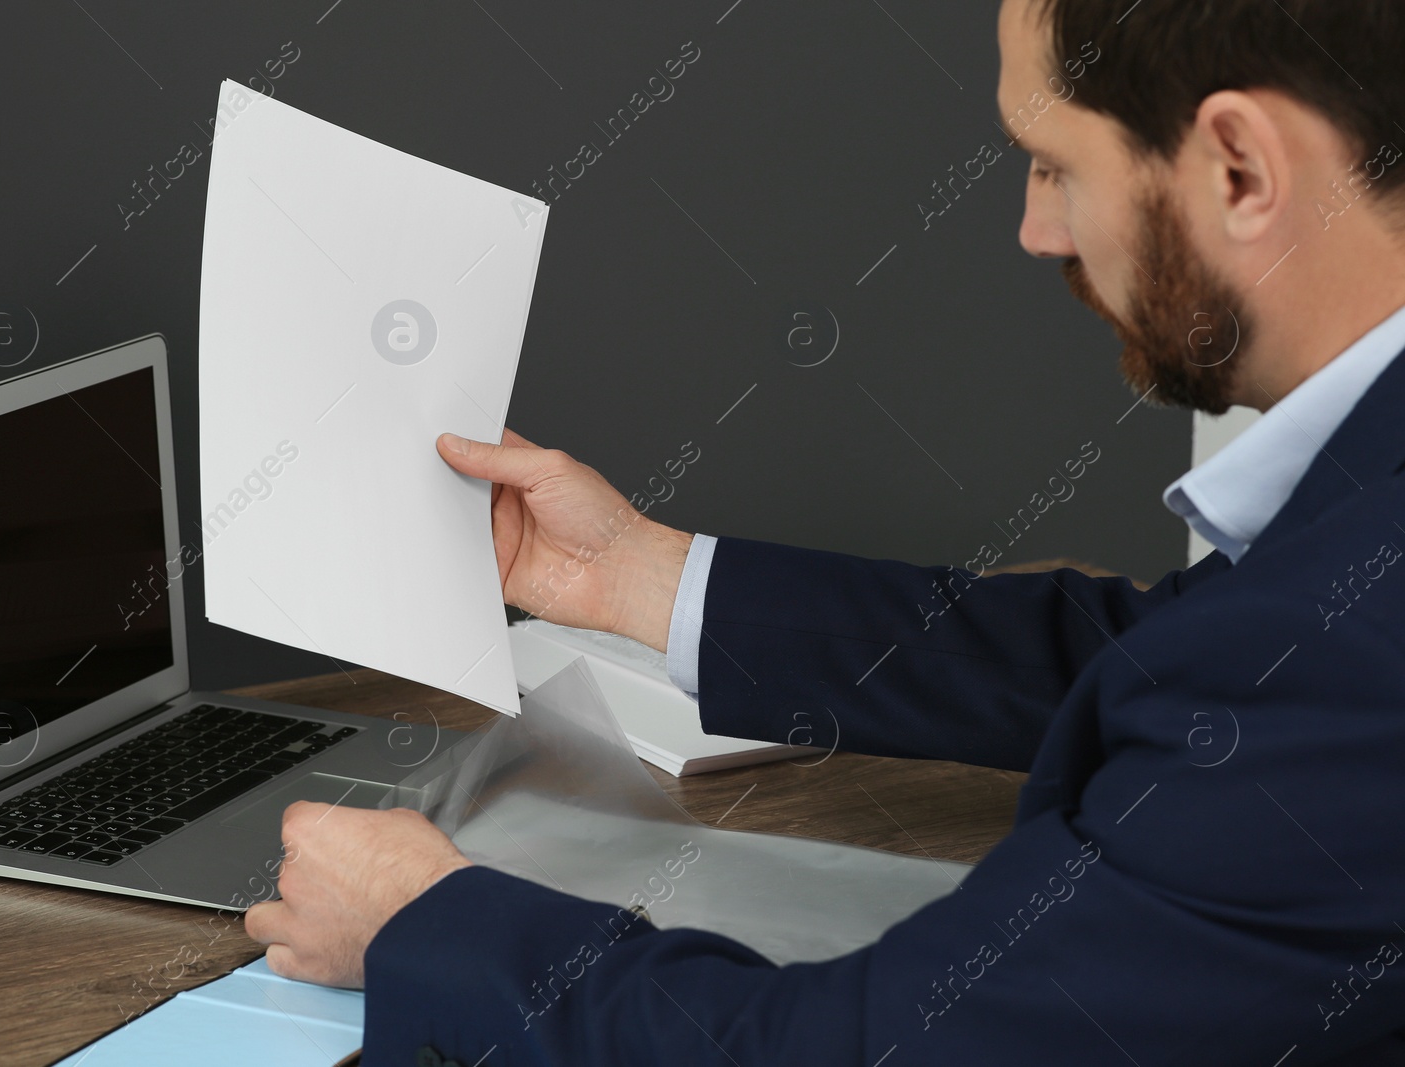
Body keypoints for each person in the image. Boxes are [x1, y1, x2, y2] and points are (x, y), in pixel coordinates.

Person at [245, 0, 1405, 1061]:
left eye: (1053, 165)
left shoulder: (1340, 664)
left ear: (1240, 167)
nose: (1035, 231)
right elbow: (1155, 657)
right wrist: (646, 577)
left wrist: (429, 923)